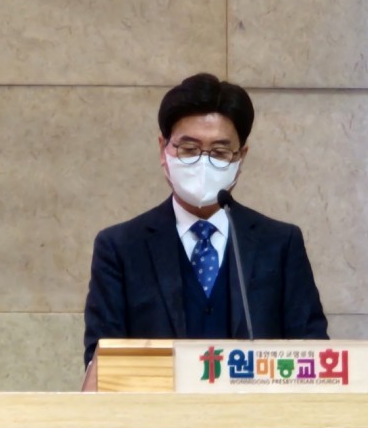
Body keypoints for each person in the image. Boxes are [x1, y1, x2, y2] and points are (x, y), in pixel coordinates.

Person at [83, 73, 328, 366]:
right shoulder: (121, 248)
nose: (203, 163)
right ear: (163, 149)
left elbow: (312, 354)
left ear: (241, 157)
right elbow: (103, 362)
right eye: (189, 149)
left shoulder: (280, 244)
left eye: (220, 152)